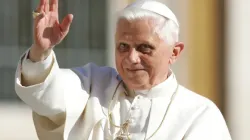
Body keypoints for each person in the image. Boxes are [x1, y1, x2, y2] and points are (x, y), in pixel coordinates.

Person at [14, 0, 232, 139]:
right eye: (123, 47)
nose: (131, 58)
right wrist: (41, 52)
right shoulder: (93, 85)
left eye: (144, 48)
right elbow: (47, 94)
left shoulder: (199, 114)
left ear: (174, 52)